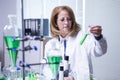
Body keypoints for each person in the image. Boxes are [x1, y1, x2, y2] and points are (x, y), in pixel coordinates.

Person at [43, 5, 107, 80]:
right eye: (62, 19)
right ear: (56, 23)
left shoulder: (82, 37)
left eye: (69, 19)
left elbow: (99, 51)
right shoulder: (50, 44)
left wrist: (98, 37)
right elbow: (46, 67)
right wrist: (57, 77)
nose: (66, 22)